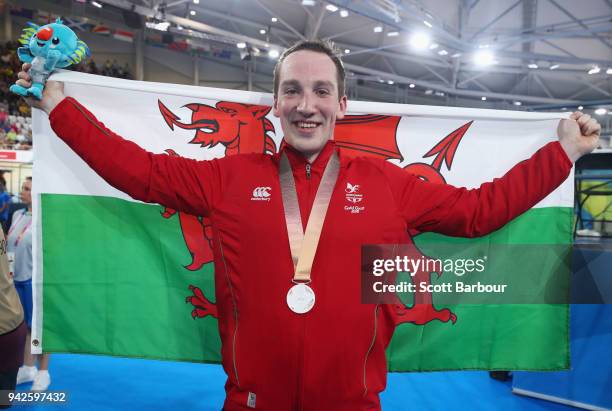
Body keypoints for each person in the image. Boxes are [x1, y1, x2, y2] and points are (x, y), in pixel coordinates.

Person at [16, 40, 600, 410]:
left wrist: (562, 156)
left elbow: (480, 212)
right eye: (292, 90)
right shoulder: (228, 178)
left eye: (321, 91)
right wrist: (63, 110)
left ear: (342, 104)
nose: (306, 104)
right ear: (273, 103)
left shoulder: (386, 184)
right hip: (250, 403)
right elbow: (138, 172)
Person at [9, 177, 51, 391]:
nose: (22, 191)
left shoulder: (45, 219)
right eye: (23, 188)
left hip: (35, 281)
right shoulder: (17, 214)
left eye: (27, 189)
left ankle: (43, 371)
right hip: (14, 279)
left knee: (39, 328)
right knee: (23, 327)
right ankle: (27, 367)